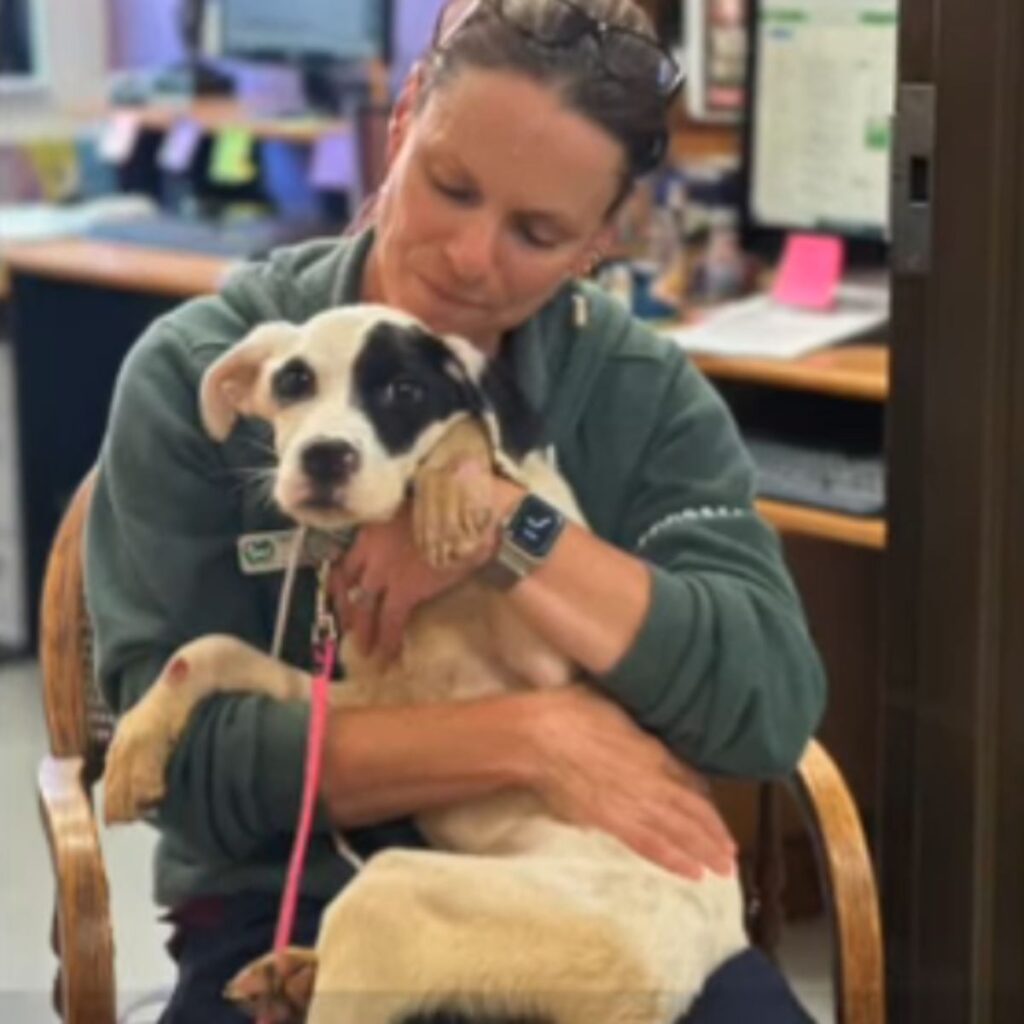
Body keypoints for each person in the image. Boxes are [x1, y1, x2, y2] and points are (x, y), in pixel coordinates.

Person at [85, 1, 826, 1020]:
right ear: (400, 127)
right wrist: (528, 736)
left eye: (536, 231)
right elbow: (189, 777)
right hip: (286, 903)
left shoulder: (640, 396)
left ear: (601, 240)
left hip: (586, 896)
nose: (471, 257)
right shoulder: (198, 369)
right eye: (450, 185)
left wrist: (505, 530)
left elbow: (766, 707)